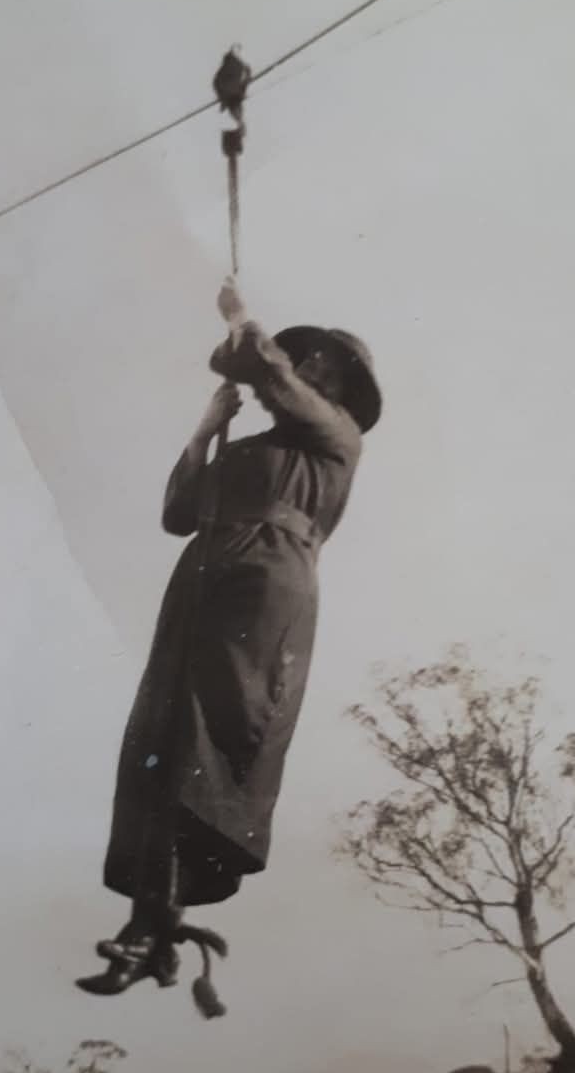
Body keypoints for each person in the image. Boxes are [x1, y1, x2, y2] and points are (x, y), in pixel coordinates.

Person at [76, 305, 381, 1001]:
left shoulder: (337, 439)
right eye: (305, 356)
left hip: (262, 586)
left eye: (324, 363)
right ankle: (150, 928)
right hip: (199, 584)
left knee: (212, 737)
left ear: (341, 388)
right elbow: (177, 513)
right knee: (161, 744)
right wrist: (208, 429)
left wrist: (243, 323)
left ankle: (150, 931)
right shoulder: (248, 451)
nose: (307, 364)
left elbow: (260, 365)